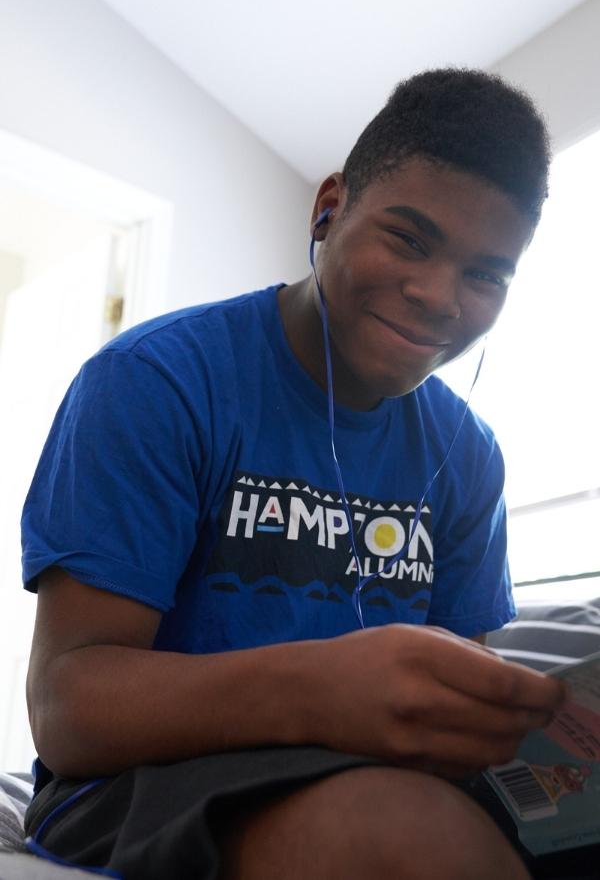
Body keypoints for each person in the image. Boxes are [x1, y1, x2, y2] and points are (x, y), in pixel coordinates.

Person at [21, 68, 580, 880]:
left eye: (485, 274)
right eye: (409, 239)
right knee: (409, 834)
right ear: (329, 211)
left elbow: (450, 715)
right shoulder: (158, 381)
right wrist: (321, 692)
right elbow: (70, 711)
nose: (436, 295)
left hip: (359, 774)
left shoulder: (469, 456)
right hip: (135, 782)